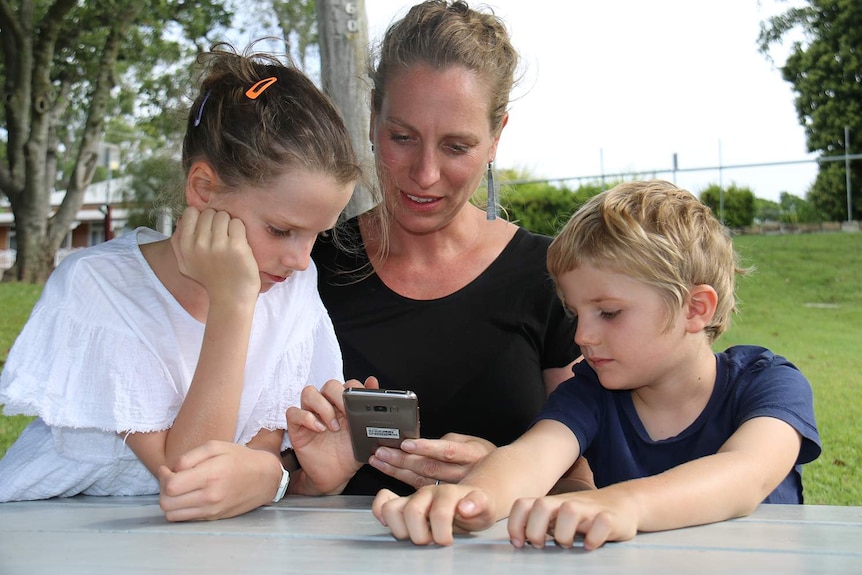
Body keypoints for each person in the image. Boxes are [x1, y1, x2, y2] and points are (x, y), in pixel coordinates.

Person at [0, 43, 361, 520]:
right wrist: (233, 302)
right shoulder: (101, 288)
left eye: (318, 234)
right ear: (203, 190)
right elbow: (191, 475)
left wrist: (284, 477)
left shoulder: (290, 290)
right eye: (281, 229)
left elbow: (248, 469)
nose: (300, 260)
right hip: (47, 534)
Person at [371, 180, 822, 550]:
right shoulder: (591, 392)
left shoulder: (768, 384)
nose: (582, 335)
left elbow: (745, 476)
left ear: (695, 309)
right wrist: (472, 499)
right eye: (575, 314)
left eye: (608, 312)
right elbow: (530, 458)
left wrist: (622, 504)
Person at [288, 0, 588, 497]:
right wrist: (312, 481)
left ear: (496, 138)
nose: (425, 174)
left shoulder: (553, 276)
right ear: (372, 119)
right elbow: (269, 493)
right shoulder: (305, 267)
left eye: (456, 146)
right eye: (402, 137)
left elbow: (582, 484)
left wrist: (507, 473)